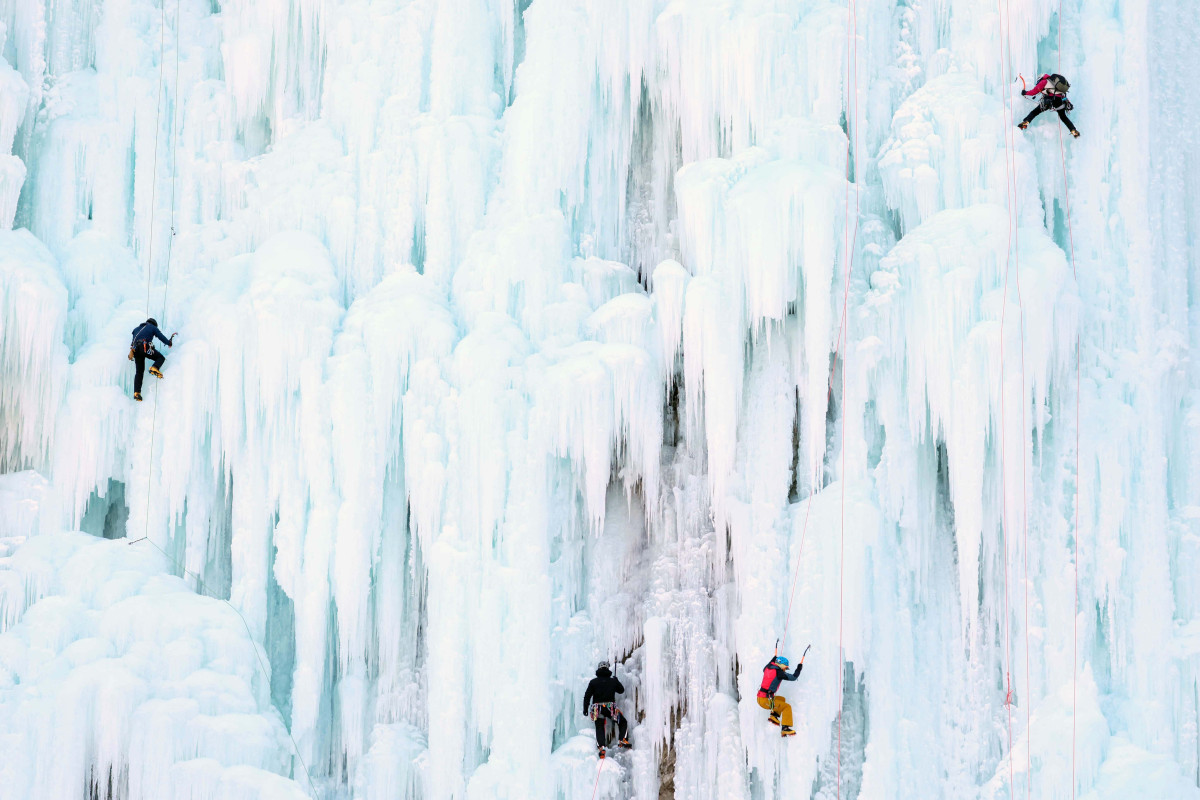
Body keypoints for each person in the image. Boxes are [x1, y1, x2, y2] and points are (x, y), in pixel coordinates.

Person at [583, 660, 630, 756]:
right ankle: (622, 739)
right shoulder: (612, 681)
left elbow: (587, 696)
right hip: (610, 707)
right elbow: (621, 690)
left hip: (597, 708)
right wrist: (617, 681)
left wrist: (585, 709)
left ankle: (601, 747)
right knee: (622, 722)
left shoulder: (593, 682)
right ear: (607, 669)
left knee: (599, 726)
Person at [757, 651, 806, 737]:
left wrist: (774, 657)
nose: (785, 669)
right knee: (787, 707)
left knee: (781, 699)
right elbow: (794, 677)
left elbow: (770, 663)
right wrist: (799, 667)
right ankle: (785, 728)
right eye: (785, 668)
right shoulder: (779, 673)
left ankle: (774, 716)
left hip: (761, 698)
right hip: (765, 700)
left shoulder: (767, 668)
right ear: (782, 665)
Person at [1018, 73, 1079, 137]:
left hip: (1049, 100)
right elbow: (1062, 94)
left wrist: (1025, 92)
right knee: (1063, 117)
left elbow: (1034, 92)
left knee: (1035, 112)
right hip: (1060, 100)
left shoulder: (1044, 82)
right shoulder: (1055, 83)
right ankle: (1073, 130)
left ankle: (1026, 122)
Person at [129, 318, 174, 401]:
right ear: (154, 324)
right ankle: (155, 367)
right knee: (160, 358)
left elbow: (132, 343)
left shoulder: (136, 329)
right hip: (144, 347)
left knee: (139, 372)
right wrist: (169, 342)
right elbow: (160, 336)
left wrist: (131, 353)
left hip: (135, 350)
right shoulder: (152, 327)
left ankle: (137, 393)